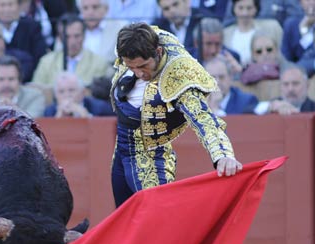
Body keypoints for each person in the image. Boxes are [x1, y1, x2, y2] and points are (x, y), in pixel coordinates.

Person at [110, 23, 242, 207]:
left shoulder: (179, 74)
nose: (139, 73)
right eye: (132, 68)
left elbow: (203, 118)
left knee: (158, 217)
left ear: (158, 51)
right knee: (123, 217)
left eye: (143, 66)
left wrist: (223, 154)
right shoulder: (137, 41)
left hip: (150, 154)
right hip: (121, 145)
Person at [32, 13, 113, 88]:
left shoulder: (99, 63)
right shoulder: (46, 62)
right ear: (60, 38)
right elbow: (37, 91)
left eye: (77, 36)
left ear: (84, 36)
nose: (72, 42)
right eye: (67, 36)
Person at [223, 0, 283, 66]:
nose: (245, 13)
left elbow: (281, 54)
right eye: (240, 8)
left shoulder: (272, 27)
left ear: (256, 9)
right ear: (233, 9)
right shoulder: (225, 33)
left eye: (249, 8)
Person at [0, 0, 47, 69]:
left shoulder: (32, 26)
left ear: (19, 6)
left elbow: (40, 56)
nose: (6, 9)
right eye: (2, 5)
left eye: (10, 5)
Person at [44, 71, 115, 117]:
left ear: (82, 93)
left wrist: (86, 116)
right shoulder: (49, 112)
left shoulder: (101, 108)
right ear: (55, 95)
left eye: (71, 90)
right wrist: (57, 120)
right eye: (61, 91)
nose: (67, 95)